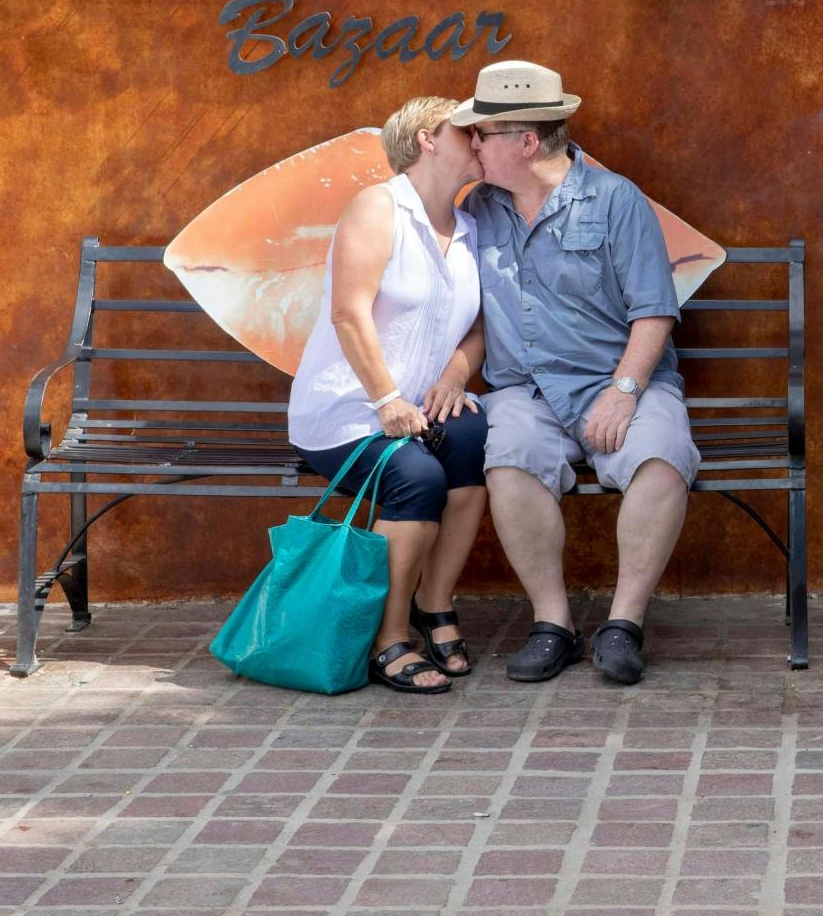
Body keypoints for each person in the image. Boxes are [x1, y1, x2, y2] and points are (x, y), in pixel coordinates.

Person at [455, 60, 699, 686]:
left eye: (483, 134)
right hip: (525, 391)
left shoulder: (616, 199)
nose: (472, 144)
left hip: (616, 382)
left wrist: (623, 393)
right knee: (507, 459)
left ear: (526, 142)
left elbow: (653, 312)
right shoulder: (479, 207)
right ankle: (553, 624)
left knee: (663, 457)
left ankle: (622, 625)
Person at [287, 96, 490, 695]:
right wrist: (386, 399)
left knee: (478, 440)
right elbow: (350, 314)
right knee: (416, 478)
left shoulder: (472, 227)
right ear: (429, 138)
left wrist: (455, 377)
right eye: (469, 130)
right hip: (349, 410)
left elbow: (479, 327)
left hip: (419, 407)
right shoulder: (378, 209)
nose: (480, 139)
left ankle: (436, 602)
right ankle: (388, 639)